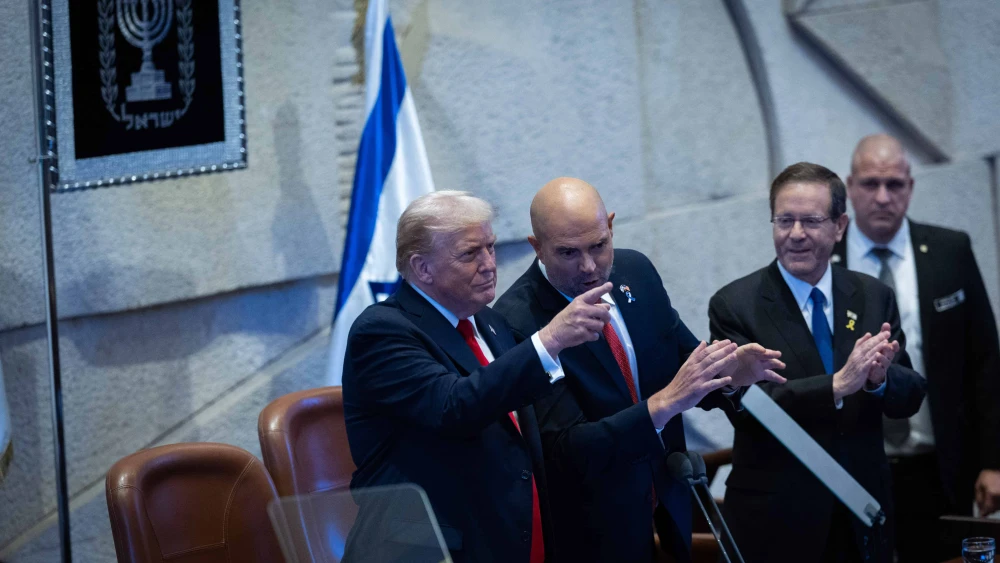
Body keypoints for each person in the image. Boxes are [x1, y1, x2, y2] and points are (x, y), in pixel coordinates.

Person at [494, 177, 786, 562]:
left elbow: (685, 366)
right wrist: (663, 404)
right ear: (537, 247)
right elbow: (566, 452)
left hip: (668, 495)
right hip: (594, 528)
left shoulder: (636, 271)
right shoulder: (519, 322)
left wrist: (730, 376)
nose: (589, 267)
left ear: (611, 225)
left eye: (599, 245)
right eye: (568, 253)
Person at [342, 191, 615, 563]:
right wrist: (549, 339)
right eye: (470, 254)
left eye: (490, 247)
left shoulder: (490, 322)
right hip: (432, 550)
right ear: (423, 268)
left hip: (513, 538)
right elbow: (453, 406)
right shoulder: (382, 331)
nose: (489, 264)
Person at [709, 162, 926, 563]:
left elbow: (910, 393)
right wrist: (837, 385)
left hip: (862, 511)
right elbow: (746, 407)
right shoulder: (735, 305)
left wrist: (880, 380)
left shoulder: (873, 295)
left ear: (840, 226)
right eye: (784, 220)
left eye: (810, 221)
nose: (795, 235)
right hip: (778, 521)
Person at [832, 134, 1000, 561]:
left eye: (895, 185)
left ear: (911, 186)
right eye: (870, 184)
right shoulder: (824, 262)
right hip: (855, 467)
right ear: (850, 188)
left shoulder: (949, 251)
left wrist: (994, 461)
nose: (883, 197)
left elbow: (985, 360)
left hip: (941, 466)